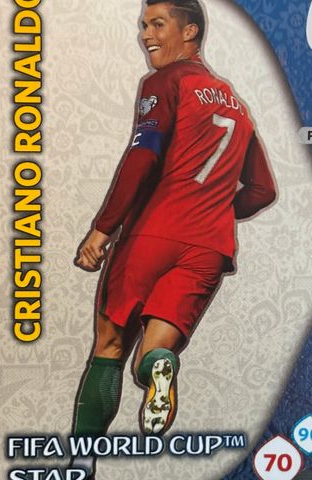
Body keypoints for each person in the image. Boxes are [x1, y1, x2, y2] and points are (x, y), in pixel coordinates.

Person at [72, 0, 276, 472]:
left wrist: (102, 228)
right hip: (209, 247)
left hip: (153, 234)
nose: (145, 34)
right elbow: (263, 190)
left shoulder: (165, 82)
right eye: (143, 25)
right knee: (155, 350)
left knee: (110, 346)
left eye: (157, 24)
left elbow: (142, 157)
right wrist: (215, 209)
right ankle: (159, 368)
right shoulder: (236, 104)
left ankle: (80, 467)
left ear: (190, 32)